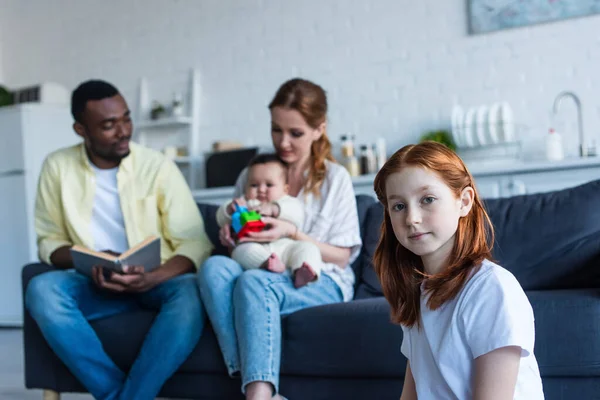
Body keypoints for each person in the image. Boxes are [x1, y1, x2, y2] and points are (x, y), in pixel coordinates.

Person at [25, 80, 213, 400]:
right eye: (109, 125)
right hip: (93, 281)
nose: (124, 131)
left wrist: (153, 277)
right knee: (41, 290)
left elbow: (195, 243)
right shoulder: (57, 167)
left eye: (126, 118)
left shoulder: (157, 167)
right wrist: (90, 260)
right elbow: (49, 241)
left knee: (192, 296)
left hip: (158, 281)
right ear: (80, 129)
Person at [197, 78, 362, 400]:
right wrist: (231, 233)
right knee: (214, 267)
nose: (283, 142)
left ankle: (257, 394)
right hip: (260, 263)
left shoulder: (334, 178)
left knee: (254, 283)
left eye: (295, 133)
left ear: (319, 130)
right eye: (276, 130)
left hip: (320, 277)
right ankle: (246, 372)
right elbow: (240, 223)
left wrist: (292, 232)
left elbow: (342, 257)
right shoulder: (253, 173)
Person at [372, 141, 544, 400]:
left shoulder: (491, 289)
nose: (412, 218)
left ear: (464, 202)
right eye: (399, 206)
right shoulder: (419, 293)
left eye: (427, 199)